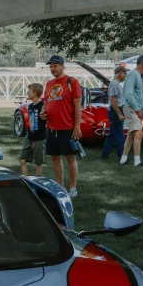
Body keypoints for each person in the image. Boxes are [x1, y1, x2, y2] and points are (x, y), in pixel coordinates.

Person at [40, 55, 82, 197]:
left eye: (55, 66)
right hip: (52, 128)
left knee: (70, 158)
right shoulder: (49, 84)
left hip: (67, 127)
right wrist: (42, 112)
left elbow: (77, 107)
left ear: (62, 66)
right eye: (51, 66)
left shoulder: (72, 82)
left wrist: (77, 127)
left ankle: (73, 188)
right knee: (55, 158)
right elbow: (46, 103)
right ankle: (60, 186)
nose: (53, 69)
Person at [119, 55, 143, 167]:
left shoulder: (137, 76)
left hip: (134, 107)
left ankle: (123, 159)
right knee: (138, 133)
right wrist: (137, 110)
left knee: (131, 135)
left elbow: (139, 97)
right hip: (129, 107)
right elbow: (129, 94)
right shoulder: (133, 74)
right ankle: (137, 162)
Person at [19, 83, 46, 176]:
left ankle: (38, 182)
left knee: (38, 163)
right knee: (22, 160)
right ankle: (25, 180)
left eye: (29, 92)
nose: (28, 93)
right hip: (29, 136)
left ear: (35, 93)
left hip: (39, 138)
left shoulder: (43, 105)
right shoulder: (30, 106)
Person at [101, 65, 127, 161]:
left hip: (115, 111)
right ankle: (122, 157)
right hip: (116, 111)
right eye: (124, 73)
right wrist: (119, 114)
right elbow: (113, 100)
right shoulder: (115, 84)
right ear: (119, 73)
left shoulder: (116, 84)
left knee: (112, 135)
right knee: (120, 135)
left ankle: (104, 155)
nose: (125, 75)